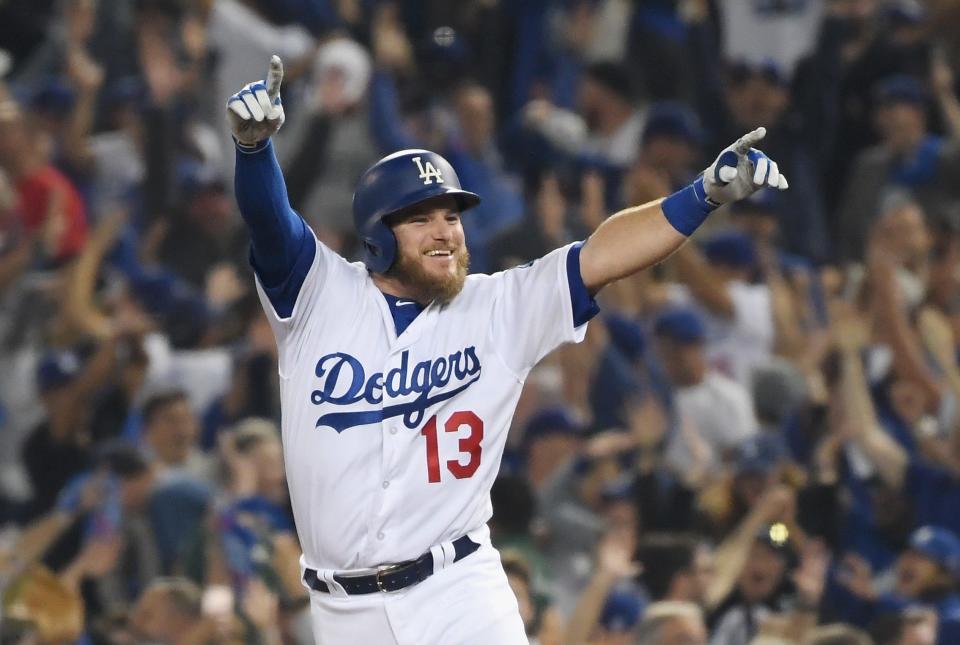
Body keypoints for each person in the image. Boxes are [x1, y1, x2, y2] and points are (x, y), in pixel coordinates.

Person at [225, 55, 788, 645]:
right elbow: (269, 220)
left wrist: (702, 195)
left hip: (458, 591)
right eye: (421, 219)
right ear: (376, 236)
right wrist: (254, 151)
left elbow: (602, 255)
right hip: (342, 614)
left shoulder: (498, 306)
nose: (444, 230)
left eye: (452, 216)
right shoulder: (317, 296)